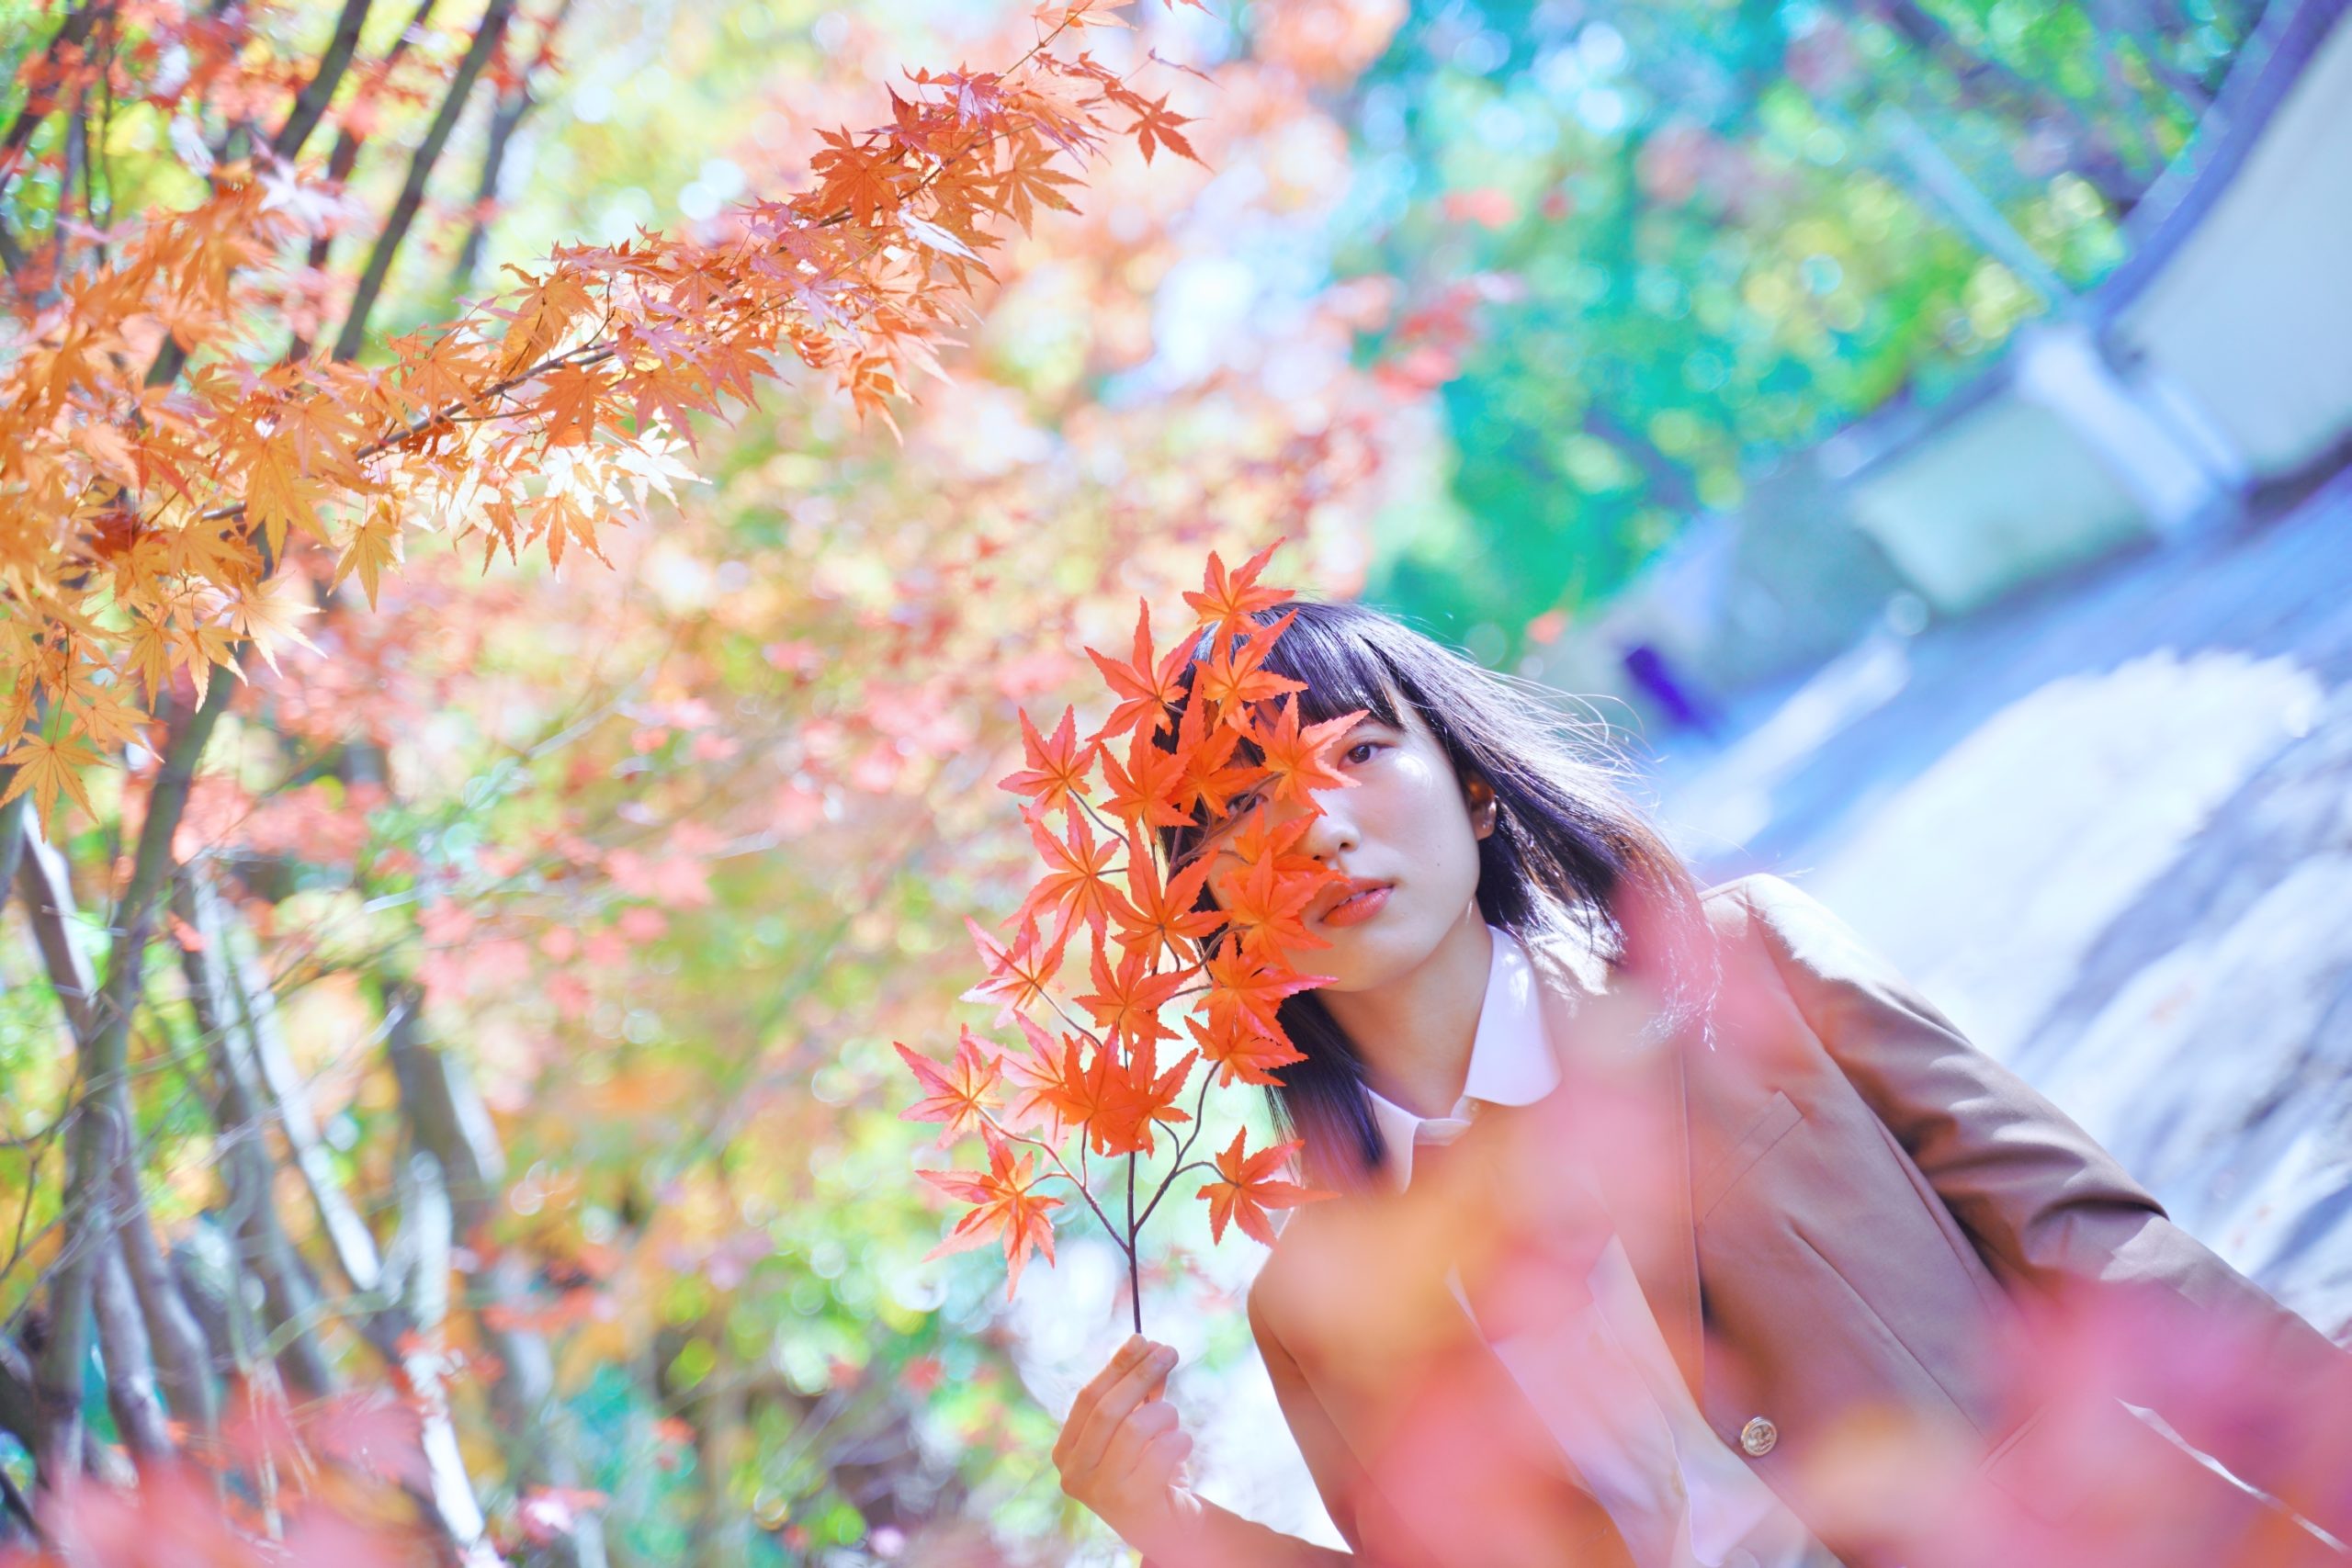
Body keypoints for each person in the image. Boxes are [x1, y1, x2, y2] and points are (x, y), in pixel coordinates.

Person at [1048, 599, 2352, 1568]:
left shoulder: (1744, 973)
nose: (1314, 825)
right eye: (1237, 805)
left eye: (1355, 751)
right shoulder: (1322, 1303)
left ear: (1476, 788)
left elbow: (2104, 1253)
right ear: (1203, 904)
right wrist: (1180, 1531)